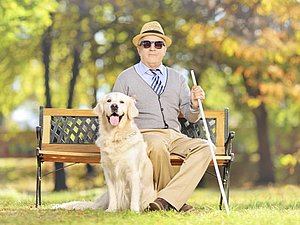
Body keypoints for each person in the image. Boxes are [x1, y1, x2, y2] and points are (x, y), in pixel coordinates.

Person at [112, 21, 212, 212]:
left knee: (206, 147)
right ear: (139, 49)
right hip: (143, 135)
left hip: (175, 135)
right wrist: (126, 109)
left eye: (158, 44)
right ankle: (174, 202)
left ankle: (165, 200)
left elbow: (191, 117)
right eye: (146, 44)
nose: (152, 48)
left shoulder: (178, 77)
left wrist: (194, 103)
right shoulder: (125, 78)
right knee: (157, 145)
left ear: (164, 50)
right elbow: (114, 116)